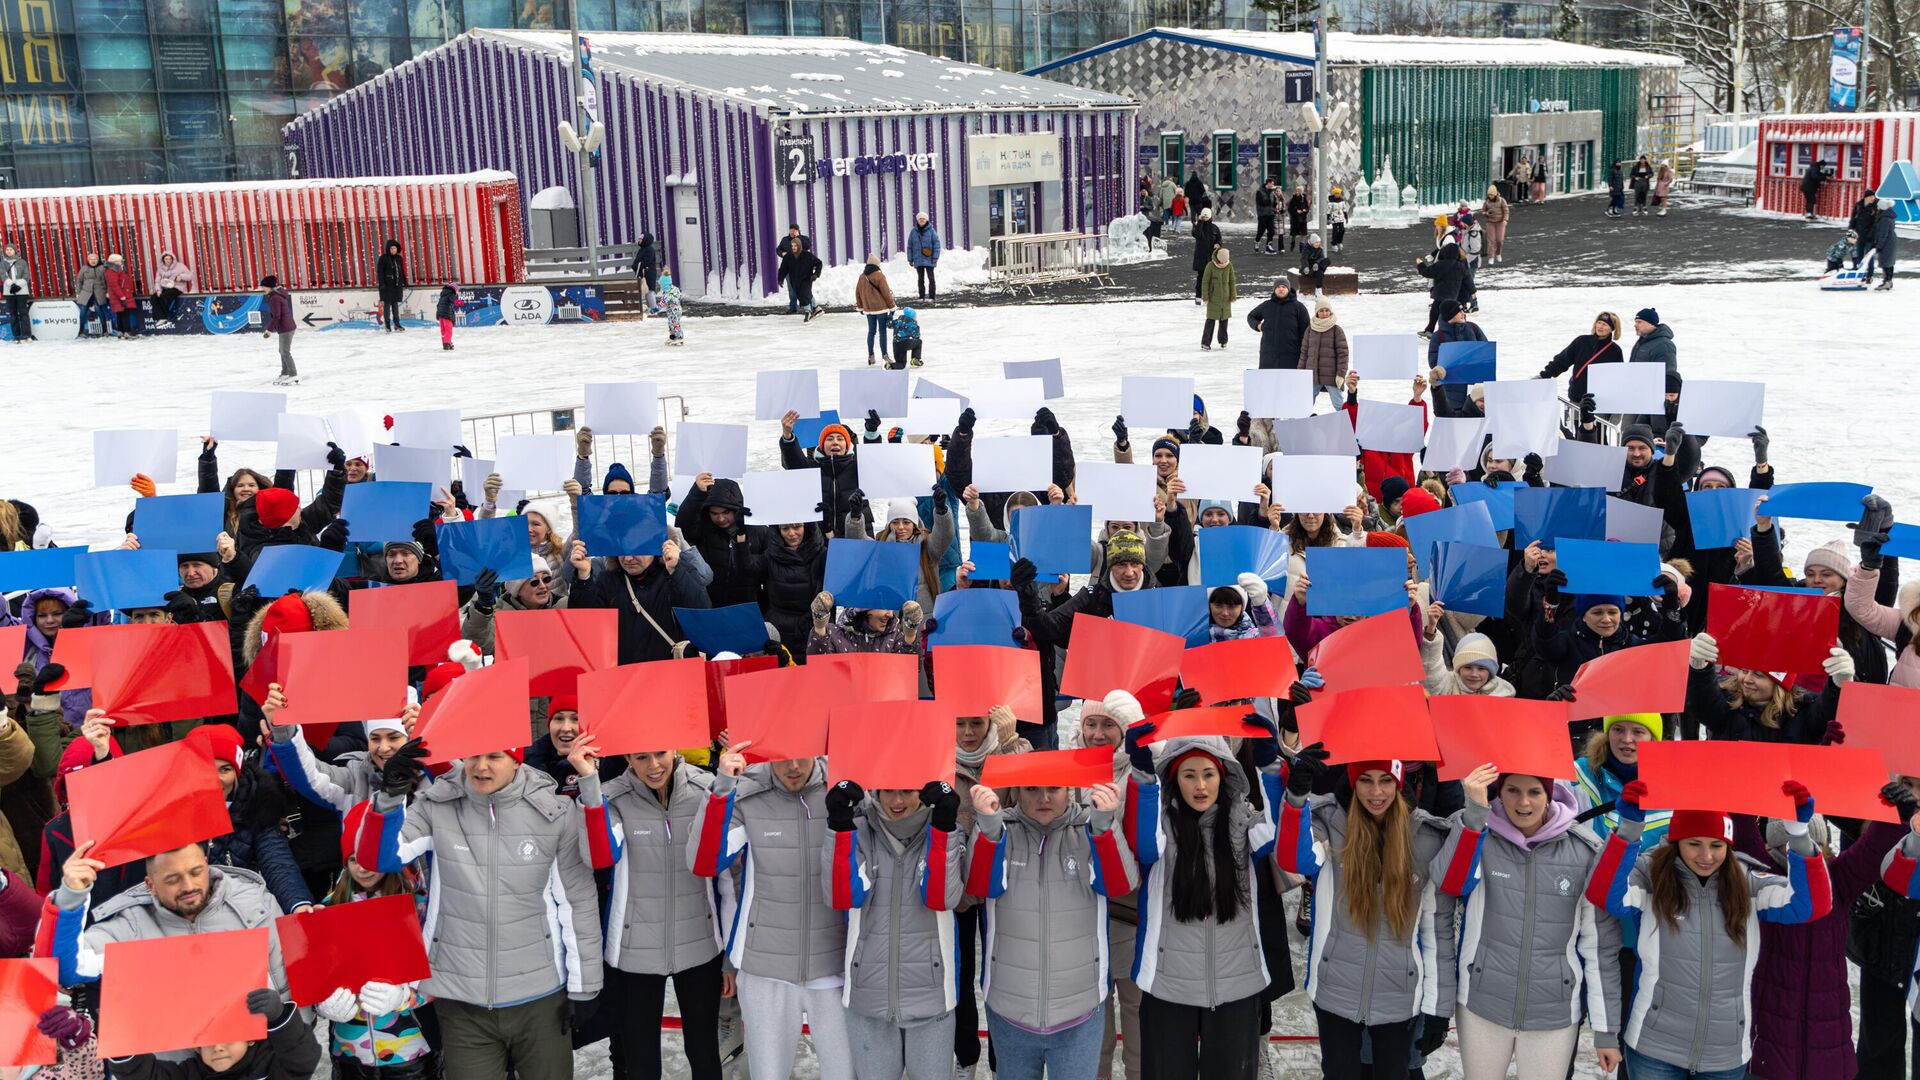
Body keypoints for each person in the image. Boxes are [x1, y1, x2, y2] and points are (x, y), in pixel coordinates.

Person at [355, 734, 604, 1080]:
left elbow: (576, 904)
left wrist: (585, 985)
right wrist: (390, 796)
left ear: (516, 759)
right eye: (473, 754)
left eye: (495, 756)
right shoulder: (436, 804)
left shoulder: (554, 811)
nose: (481, 766)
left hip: (540, 998)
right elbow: (379, 857)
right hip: (462, 1001)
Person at [1586, 779, 1832, 1080]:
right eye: (1694, 844)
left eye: (1716, 846)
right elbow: (1605, 894)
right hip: (1654, 1047)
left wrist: (1798, 835)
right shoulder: (1652, 876)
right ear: (1677, 842)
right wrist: (1628, 831)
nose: (1706, 856)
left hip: (1724, 1055)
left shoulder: (1748, 883)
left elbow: (1811, 905)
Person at [1277, 745, 1476, 1078]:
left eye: (1385, 780)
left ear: (1399, 782)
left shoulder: (1425, 836)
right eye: (1365, 781)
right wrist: (1296, 798)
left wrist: (1438, 1009)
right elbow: (1294, 861)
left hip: (1399, 998)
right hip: (1335, 991)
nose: (1376, 792)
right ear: (1353, 783)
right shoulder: (1329, 820)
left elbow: (1438, 927)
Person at [1122, 713, 1284, 1080]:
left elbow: (1277, 833)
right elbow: (1146, 846)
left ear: (1222, 776)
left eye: (1208, 774)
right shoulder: (1161, 822)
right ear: (1174, 780)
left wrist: (1270, 767)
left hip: (1235, 984)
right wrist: (1144, 776)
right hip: (1169, 984)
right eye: (1189, 774)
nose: (1199, 785)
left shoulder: (1242, 824)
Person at [1441, 771, 1623, 1078]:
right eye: (1512, 790)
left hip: (1553, 1011)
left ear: (1549, 795)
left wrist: (1606, 1032)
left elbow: (1599, 948)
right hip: (1482, 1003)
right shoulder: (1478, 834)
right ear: (1498, 792)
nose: (1523, 802)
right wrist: (1473, 817)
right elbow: (1451, 883)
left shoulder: (1584, 850)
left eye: (1535, 792)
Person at [692, 743, 854, 1079]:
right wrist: (721, 789)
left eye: (802, 753)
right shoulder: (746, 792)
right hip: (765, 965)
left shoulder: (844, 789)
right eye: (782, 756)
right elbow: (704, 861)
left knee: (845, 1072)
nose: (793, 765)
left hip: (835, 965)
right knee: (769, 1074)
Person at [574, 734, 729, 1080]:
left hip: (699, 943)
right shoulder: (610, 797)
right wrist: (588, 781)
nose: (654, 765)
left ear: (676, 748)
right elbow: (599, 856)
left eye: (660, 753)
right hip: (635, 951)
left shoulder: (708, 790)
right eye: (641, 757)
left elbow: (725, 873)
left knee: (704, 1052)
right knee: (640, 1062)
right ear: (627, 756)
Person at [966, 770, 1135, 1079]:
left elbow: (1120, 883)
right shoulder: (999, 826)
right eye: (1032, 788)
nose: (1043, 797)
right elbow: (979, 886)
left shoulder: (1090, 826)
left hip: (1078, 1010)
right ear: (1017, 789)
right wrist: (988, 830)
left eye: (1053, 787)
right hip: (1010, 1009)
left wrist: (1104, 827)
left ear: (1068, 789)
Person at [823, 775, 967, 1080]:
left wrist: (942, 829)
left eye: (907, 790)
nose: (897, 801)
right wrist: (839, 826)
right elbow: (843, 895)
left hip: (931, 996)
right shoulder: (858, 830)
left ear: (923, 791)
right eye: (889, 790)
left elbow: (941, 897)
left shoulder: (946, 830)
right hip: (868, 995)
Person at [46, 840, 290, 996]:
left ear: (206, 865)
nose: (188, 886)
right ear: (150, 885)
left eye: (196, 872)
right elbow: (66, 970)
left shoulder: (255, 903)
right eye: (172, 880)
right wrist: (71, 897)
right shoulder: (130, 927)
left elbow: (286, 987)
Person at [310, 802, 437, 1079]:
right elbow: (314, 976)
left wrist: (405, 997)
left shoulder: (418, 907)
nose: (363, 869)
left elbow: (440, 976)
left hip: (409, 1050)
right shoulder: (328, 909)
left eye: (371, 860)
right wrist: (324, 1004)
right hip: (350, 1052)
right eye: (354, 860)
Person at [80, 986, 321, 1080]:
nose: (217, 1047)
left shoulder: (268, 1065)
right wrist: (123, 1043)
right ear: (196, 1047)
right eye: (208, 1042)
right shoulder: (190, 1074)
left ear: (249, 1038)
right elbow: (148, 1077)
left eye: (226, 1036)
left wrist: (279, 1017)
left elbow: (302, 1059)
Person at [1247, 276, 1309, 370]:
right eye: (1278, 287)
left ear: (1288, 289)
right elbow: (1251, 316)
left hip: (1291, 355)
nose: (1281, 289)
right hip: (1268, 355)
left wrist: (1304, 352)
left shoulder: (1298, 307)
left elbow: (1306, 331)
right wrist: (1258, 325)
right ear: (1274, 289)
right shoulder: (1267, 305)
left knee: (1289, 383)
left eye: (1283, 287)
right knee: (1269, 382)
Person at [1301, 297, 1349, 409]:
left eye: (1327, 310)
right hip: (1312, 375)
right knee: (1305, 405)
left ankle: (1348, 425)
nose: (1324, 313)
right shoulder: (1310, 330)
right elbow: (1304, 353)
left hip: (1331, 376)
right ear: (1317, 312)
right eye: (1321, 311)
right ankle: (1302, 425)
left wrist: (1341, 374)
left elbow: (1343, 354)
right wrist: (1300, 373)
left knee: (1339, 405)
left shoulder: (1337, 330)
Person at [1415, 242, 1470, 336]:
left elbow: (1426, 272)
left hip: (1444, 294)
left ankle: (1440, 332)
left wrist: (1420, 264)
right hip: (1455, 294)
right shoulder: (1461, 264)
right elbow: (1468, 281)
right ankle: (1432, 330)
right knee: (1447, 313)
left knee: (1443, 313)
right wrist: (1472, 293)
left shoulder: (1441, 264)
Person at [854, 255, 895, 363]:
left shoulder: (862, 277)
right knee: (882, 333)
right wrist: (892, 307)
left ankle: (870, 355)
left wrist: (861, 307)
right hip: (881, 309)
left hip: (868, 310)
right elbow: (886, 294)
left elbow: (857, 293)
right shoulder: (879, 276)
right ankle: (885, 356)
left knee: (871, 332)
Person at [260, 275, 297, 385]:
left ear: (269, 287)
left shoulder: (274, 298)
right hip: (287, 326)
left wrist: (269, 331)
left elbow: (277, 316)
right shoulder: (277, 295)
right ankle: (285, 373)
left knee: (285, 352)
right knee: (282, 351)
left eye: (264, 287)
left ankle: (293, 374)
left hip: (286, 328)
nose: (263, 289)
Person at [1199, 245, 1235, 350]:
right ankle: (1205, 343)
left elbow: (1232, 281)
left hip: (1226, 298)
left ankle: (1223, 340)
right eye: (1222, 262)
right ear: (1218, 259)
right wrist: (1205, 296)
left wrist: (1233, 295)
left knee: (1224, 320)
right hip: (1213, 298)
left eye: (1225, 261)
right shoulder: (1210, 266)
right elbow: (1205, 282)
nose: (1223, 263)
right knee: (1211, 320)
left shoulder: (1229, 265)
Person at [778, 235, 822, 321]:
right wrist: (780, 279)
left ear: (799, 246)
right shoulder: (788, 257)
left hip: (807, 279)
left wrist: (816, 274)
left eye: (795, 246)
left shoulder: (807, 255)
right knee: (804, 294)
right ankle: (816, 308)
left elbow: (818, 263)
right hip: (795, 280)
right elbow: (783, 268)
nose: (794, 247)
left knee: (804, 294)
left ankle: (807, 311)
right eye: (792, 246)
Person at [151, 250, 193, 327]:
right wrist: (158, 290)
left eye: (170, 259)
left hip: (177, 287)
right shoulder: (160, 269)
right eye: (166, 259)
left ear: (173, 259)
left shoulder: (180, 266)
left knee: (165, 296)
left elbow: (190, 276)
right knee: (154, 297)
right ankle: (159, 318)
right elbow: (157, 281)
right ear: (163, 259)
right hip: (165, 287)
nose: (168, 260)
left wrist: (181, 277)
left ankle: (164, 317)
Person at [907, 211, 942, 300]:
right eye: (920, 219)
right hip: (918, 259)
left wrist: (935, 257)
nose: (922, 220)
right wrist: (910, 259)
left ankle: (932, 296)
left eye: (923, 219)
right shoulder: (913, 231)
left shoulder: (931, 231)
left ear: (926, 220)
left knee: (931, 278)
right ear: (917, 220)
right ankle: (921, 296)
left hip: (929, 259)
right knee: (920, 279)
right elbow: (909, 246)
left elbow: (937, 244)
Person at [1190, 208, 1221, 304]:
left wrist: (1218, 244)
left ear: (1210, 216)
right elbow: (1197, 235)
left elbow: (1219, 238)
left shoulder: (1214, 228)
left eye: (1207, 216)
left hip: (1212, 258)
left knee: (1212, 279)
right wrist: (1200, 221)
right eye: (1204, 216)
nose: (1205, 217)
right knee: (1201, 278)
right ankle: (1198, 296)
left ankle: (1210, 297)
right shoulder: (1198, 226)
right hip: (1201, 257)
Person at [73, 252, 109, 338]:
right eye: (91, 259)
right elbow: (79, 281)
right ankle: (81, 331)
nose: (93, 261)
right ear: (88, 260)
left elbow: (107, 281)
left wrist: (107, 292)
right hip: (86, 293)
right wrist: (78, 292)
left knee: (100, 312)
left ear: (98, 260)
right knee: (82, 313)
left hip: (99, 293)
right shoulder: (84, 268)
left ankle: (105, 330)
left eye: (95, 259)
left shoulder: (103, 268)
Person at [376, 239, 407, 331]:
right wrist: (382, 284)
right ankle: (387, 325)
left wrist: (404, 282)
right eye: (392, 248)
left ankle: (397, 324)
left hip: (397, 286)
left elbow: (401, 271)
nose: (393, 250)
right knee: (387, 306)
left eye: (395, 248)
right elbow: (380, 272)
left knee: (395, 305)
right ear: (388, 249)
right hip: (386, 286)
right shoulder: (383, 258)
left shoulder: (399, 258)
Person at [2, 243, 30, 342]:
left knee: (23, 313)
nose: (9, 251)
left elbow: (27, 275)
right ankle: (16, 335)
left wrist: (18, 285)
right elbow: (3, 275)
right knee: (13, 314)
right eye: (7, 250)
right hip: (9, 292)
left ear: (15, 250)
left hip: (22, 291)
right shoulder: (3, 263)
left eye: (10, 249)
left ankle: (26, 335)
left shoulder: (22, 262)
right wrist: (11, 285)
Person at [629, 232, 660, 317]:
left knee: (650, 291)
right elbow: (637, 261)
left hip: (648, 273)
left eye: (641, 239)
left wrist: (637, 265)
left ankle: (654, 309)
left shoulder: (649, 249)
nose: (639, 240)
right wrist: (635, 266)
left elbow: (646, 261)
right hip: (642, 273)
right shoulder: (642, 249)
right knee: (646, 291)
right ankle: (651, 309)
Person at [1869, 200, 1897, 290]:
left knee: (1886, 262)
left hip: (1887, 242)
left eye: (1878, 206)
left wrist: (1879, 246)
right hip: (1890, 240)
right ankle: (1889, 281)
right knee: (1889, 261)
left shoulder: (1885, 218)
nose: (1877, 208)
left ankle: (1887, 282)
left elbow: (1883, 234)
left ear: (1882, 207)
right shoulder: (1888, 216)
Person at [1479, 184, 1509, 263]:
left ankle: (1498, 253)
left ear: (1495, 194)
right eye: (1489, 195)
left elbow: (1506, 211)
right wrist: (1486, 213)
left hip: (1500, 222)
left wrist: (1505, 220)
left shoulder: (1502, 200)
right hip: (1490, 222)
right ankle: (1491, 256)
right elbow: (1482, 211)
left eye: (1492, 195)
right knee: (1491, 240)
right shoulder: (1487, 202)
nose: (1490, 196)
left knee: (1500, 240)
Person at [1254, 177, 1279, 255]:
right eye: (1272, 183)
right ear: (1268, 183)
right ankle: (1257, 241)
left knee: (1271, 230)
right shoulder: (1260, 192)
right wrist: (1269, 199)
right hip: (1262, 214)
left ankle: (1269, 246)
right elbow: (1261, 202)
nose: (1273, 185)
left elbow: (1273, 202)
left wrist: (1275, 203)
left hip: (1271, 214)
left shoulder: (1272, 192)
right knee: (1261, 230)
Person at [659, 269, 684, 345]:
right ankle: (673, 337)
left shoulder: (667, 294)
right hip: (672, 310)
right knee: (671, 323)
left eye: (661, 285)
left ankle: (679, 337)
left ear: (665, 285)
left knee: (675, 324)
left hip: (675, 311)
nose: (661, 287)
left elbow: (662, 304)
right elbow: (680, 296)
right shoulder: (675, 289)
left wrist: (653, 310)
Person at [435, 280, 460, 350]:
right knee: (448, 329)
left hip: (440, 315)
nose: (457, 292)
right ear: (454, 289)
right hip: (447, 315)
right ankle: (447, 343)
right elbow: (454, 300)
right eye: (457, 291)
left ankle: (444, 342)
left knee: (443, 330)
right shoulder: (451, 294)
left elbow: (438, 305)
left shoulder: (443, 296)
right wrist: (459, 302)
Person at [1286, 183, 1310, 251]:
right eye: (1296, 190)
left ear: (1301, 192)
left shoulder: (1304, 198)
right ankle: (1293, 242)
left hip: (1302, 218)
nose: (1297, 192)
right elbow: (1290, 208)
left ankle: (1301, 245)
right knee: (1294, 232)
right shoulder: (1293, 199)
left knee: (1304, 232)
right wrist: (1296, 211)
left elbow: (1307, 207)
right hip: (1295, 218)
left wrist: (1305, 210)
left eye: (1299, 191)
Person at [1327, 185, 1348, 253]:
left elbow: (1344, 209)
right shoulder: (1331, 202)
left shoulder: (1342, 201)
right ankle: (1334, 243)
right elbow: (1328, 210)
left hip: (1341, 217)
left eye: (1338, 193)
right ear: (1334, 194)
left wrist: (1346, 217)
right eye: (1336, 193)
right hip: (1334, 218)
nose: (1337, 195)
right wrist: (1328, 217)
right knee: (1335, 231)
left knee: (1342, 230)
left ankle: (1339, 241)